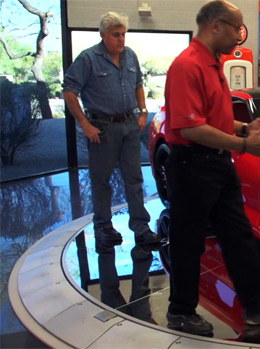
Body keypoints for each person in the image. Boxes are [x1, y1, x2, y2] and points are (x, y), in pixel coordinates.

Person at [163, 0, 260, 338]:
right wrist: (245, 146)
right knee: (188, 242)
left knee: (238, 236)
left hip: (217, 162)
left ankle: (258, 307)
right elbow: (190, 128)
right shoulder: (187, 66)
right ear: (215, 25)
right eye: (236, 27)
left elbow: (211, 118)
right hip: (193, 164)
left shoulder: (212, 64)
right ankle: (181, 311)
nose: (240, 35)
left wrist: (242, 129)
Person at [63, 12, 160, 311]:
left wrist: (143, 110)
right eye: (116, 35)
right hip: (101, 129)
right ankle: (104, 228)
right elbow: (69, 91)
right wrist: (85, 124)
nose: (122, 40)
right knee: (102, 181)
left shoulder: (130, 55)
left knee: (134, 179)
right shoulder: (88, 58)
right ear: (104, 35)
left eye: (124, 34)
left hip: (130, 126)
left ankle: (140, 228)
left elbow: (139, 84)